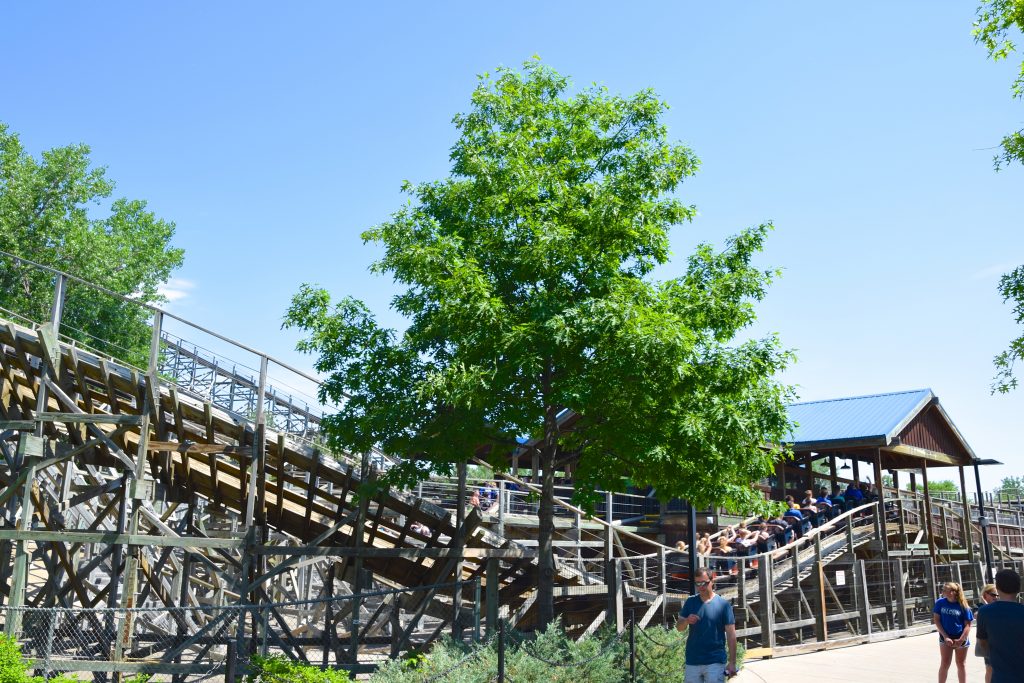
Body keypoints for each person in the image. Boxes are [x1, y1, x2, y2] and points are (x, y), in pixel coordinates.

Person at [677, 567, 737, 681]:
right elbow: (679, 627)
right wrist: (686, 621)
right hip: (692, 661)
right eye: (698, 583)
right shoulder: (690, 602)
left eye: (704, 583)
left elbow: (731, 635)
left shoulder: (724, 605)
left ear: (712, 581)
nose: (701, 586)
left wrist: (732, 662)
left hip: (715, 661)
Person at [976, 569, 1024, 683]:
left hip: (1000, 676)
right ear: (1018, 588)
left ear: (997, 587)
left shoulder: (984, 612)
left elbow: (982, 643)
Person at [933, 581, 972, 683]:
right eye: (943, 590)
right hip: (945, 637)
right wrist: (945, 636)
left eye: (946, 590)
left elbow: (968, 625)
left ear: (953, 592)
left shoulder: (963, 605)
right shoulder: (940, 603)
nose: (943, 592)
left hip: (960, 638)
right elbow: (936, 620)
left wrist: (961, 639)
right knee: (945, 663)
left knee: (961, 664)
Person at [976, 583, 998, 683]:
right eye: (993, 594)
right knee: (989, 668)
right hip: (987, 643)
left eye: (997, 595)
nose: (996, 597)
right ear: (985, 595)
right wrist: (986, 605)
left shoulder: (998, 605)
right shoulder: (980, 606)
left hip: (999, 641)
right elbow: (976, 615)